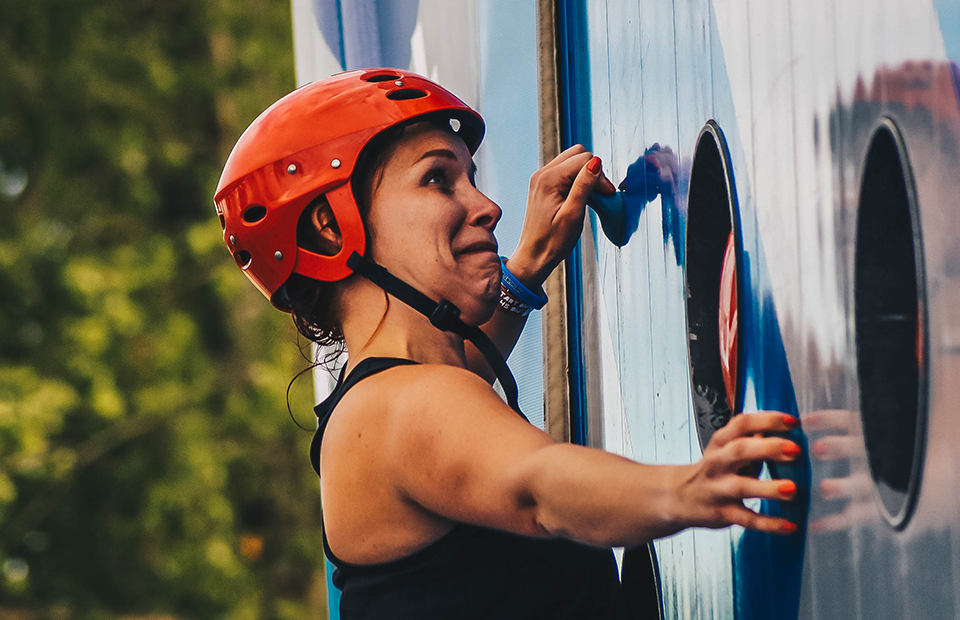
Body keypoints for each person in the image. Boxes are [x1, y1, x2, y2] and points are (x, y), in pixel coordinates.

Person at [214, 69, 801, 619]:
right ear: (329, 227)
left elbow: (462, 375)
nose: (487, 206)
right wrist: (683, 490)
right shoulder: (396, 408)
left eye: (471, 178)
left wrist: (530, 262)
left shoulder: (387, 400)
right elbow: (537, 486)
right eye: (437, 179)